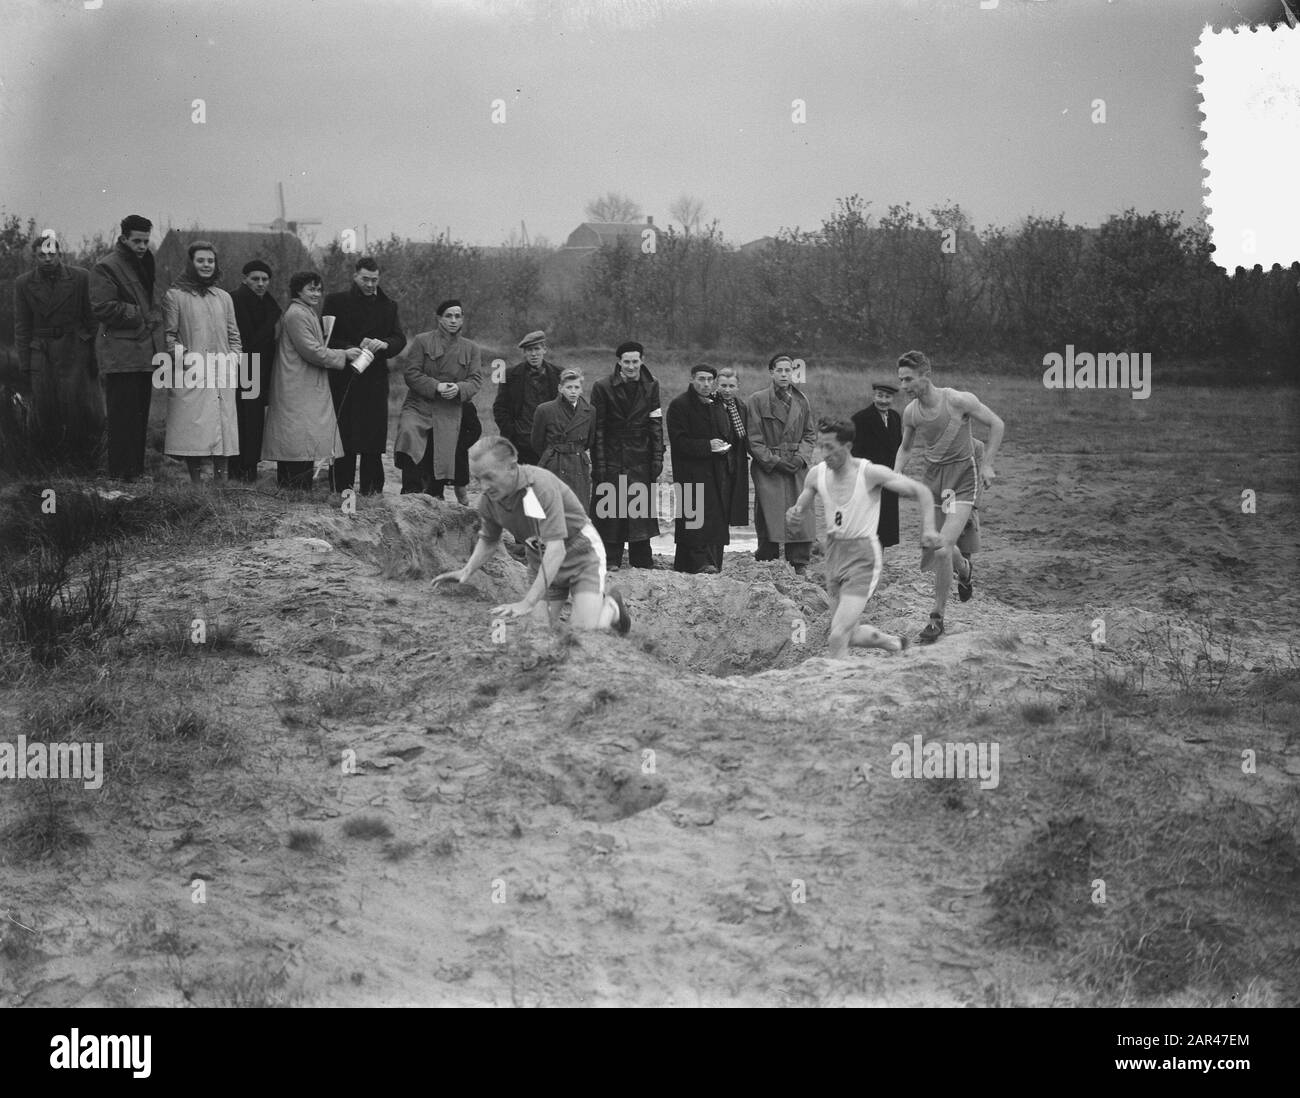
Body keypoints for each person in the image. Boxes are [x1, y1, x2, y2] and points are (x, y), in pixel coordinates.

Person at [431, 436, 630, 634]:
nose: (483, 487)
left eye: (489, 477)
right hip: (541, 559)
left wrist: (527, 602)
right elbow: (489, 540)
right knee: (538, 631)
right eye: (477, 479)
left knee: (583, 631)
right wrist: (466, 570)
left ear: (511, 467)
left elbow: (557, 550)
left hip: (581, 555)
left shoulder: (540, 487)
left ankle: (611, 607)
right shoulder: (488, 501)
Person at [787, 419, 940, 659]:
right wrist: (794, 515)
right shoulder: (817, 474)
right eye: (820, 446)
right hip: (833, 554)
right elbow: (800, 506)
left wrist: (929, 529)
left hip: (863, 557)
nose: (823, 453)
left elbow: (921, 491)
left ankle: (837, 682)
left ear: (847, 446)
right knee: (849, 633)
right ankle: (894, 643)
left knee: (837, 636)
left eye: (830, 447)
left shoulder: (869, 473)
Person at [893, 350, 1004, 644]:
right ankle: (965, 571)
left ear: (925, 376)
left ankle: (936, 617)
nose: (903, 386)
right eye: (901, 380)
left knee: (942, 548)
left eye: (908, 379)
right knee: (937, 545)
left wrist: (988, 464)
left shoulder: (957, 400)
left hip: (963, 479)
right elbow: (906, 447)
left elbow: (997, 424)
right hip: (934, 481)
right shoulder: (911, 412)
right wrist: (896, 473)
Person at [261, 271, 362, 490]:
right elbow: (312, 351)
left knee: (300, 439)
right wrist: (343, 354)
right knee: (297, 439)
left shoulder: (305, 311)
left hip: (300, 383)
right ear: (298, 291)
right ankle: (296, 490)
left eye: (318, 289)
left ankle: (296, 489)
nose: (316, 294)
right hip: (296, 384)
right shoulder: (297, 314)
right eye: (311, 289)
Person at [12, 231, 103, 465]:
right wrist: (25, 364)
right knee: (45, 406)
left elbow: (93, 319)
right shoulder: (23, 283)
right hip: (41, 351)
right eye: (41, 255)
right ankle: (50, 461)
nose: (47, 259)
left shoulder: (80, 277)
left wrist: (93, 353)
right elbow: (22, 326)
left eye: (51, 254)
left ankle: (85, 458)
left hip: (75, 349)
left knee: (78, 405)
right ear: (34, 257)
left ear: (59, 254)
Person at [89, 214, 164, 481]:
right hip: (121, 354)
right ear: (123, 238)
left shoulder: (144, 263)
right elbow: (102, 307)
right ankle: (121, 475)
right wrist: (139, 314)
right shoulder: (106, 266)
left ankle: (135, 473)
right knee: (122, 418)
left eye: (146, 241)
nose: (142, 246)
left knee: (139, 417)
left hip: (144, 352)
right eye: (137, 241)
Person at [323, 257, 406, 496]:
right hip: (344, 378)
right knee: (344, 436)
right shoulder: (336, 301)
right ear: (355, 276)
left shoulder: (389, 306)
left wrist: (385, 344)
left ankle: (372, 491)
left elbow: (399, 339)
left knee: (373, 439)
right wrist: (348, 349)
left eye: (374, 280)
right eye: (365, 279)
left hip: (375, 380)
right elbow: (326, 338)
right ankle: (341, 489)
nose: (370, 284)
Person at [161, 240, 242, 483]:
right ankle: (197, 484)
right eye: (201, 260)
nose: (206, 265)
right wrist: (188, 361)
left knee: (224, 427)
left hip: (222, 372)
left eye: (210, 261)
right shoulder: (175, 295)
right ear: (191, 263)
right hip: (192, 372)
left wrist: (233, 359)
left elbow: (234, 335)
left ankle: (221, 483)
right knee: (193, 429)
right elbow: (169, 336)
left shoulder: (224, 297)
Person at [393, 299, 485, 501]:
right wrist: (436, 386)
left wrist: (459, 388)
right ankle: (410, 494)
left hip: (450, 407)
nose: (453, 320)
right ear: (439, 319)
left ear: (462, 319)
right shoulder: (422, 341)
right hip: (419, 404)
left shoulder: (471, 348)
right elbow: (411, 373)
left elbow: (476, 380)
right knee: (409, 431)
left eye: (457, 316)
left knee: (445, 443)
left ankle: (436, 494)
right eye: (448, 316)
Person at [590, 341, 664, 570]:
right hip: (613, 453)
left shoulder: (652, 385)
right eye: (627, 362)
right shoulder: (602, 387)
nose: (631, 366)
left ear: (642, 361)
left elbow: (656, 423)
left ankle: (642, 559)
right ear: (619, 362)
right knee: (611, 508)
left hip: (641, 455)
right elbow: (598, 428)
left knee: (640, 509)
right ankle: (610, 558)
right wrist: (599, 463)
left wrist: (658, 456)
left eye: (635, 361)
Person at [746, 353, 816, 574]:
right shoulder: (757, 400)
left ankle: (799, 561)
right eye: (780, 370)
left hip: (796, 465)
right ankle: (767, 557)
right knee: (768, 511)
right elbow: (753, 440)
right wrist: (774, 461)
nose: (784, 375)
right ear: (771, 372)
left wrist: (801, 457)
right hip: (769, 467)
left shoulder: (802, 400)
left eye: (788, 370)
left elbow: (810, 434)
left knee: (801, 510)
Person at [666, 364, 732, 574]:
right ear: (692, 379)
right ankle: (698, 563)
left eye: (710, 380)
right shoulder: (679, 405)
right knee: (693, 517)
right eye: (701, 379)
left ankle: (710, 562)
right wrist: (707, 445)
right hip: (690, 471)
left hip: (716, 470)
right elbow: (678, 441)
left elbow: (724, 432)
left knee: (715, 518)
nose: (706, 384)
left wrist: (721, 446)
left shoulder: (716, 404)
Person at [229, 259, 281, 482]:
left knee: (254, 419)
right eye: (255, 279)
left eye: (265, 279)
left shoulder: (269, 303)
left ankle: (249, 468)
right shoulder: (235, 299)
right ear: (245, 279)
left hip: (260, 366)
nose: (261, 283)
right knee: (243, 419)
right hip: (243, 365)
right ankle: (239, 469)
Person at [494, 330, 561, 465]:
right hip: (521, 443)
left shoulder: (559, 374)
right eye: (529, 350)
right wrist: (511, 432)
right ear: (524, 353)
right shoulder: (510, 375)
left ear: (544, 349)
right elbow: (500, 408)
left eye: (537, 349)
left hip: (550, 443)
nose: (533, 354)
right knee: (522, 477)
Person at [850, 381, 904, 548]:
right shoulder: (860, 419)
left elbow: (899, 447)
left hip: (889, 479)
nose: (883, 400)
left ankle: (878, 560)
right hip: (869, 480)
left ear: (892, 399)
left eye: (887, 397)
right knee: (867, 526)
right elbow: (854, 452)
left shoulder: (895, 417)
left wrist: (898, 471)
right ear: (874, 396)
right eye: (880, 396)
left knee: (884, 528)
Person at [531, 367, 595, 502]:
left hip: (578, 464)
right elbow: (537, 442)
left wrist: (574, 450)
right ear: (560, 388)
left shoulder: (590, 411)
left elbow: (589, 440)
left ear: (581, 389)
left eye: (576, 387)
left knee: (578, 505)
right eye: (569, 387)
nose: (573, 391)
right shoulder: (545, 410)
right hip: (554, 463)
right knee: (555, 505)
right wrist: (552, 456)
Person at [713, 366, 751, 528]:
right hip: (715, 464)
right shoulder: (710, 404)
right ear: (717, 385)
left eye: (731, 386)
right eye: (723, 386)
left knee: (731, 508)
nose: (727, 390)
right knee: (715, 510)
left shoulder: (741, 407)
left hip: (735, 464)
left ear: (738, 387)